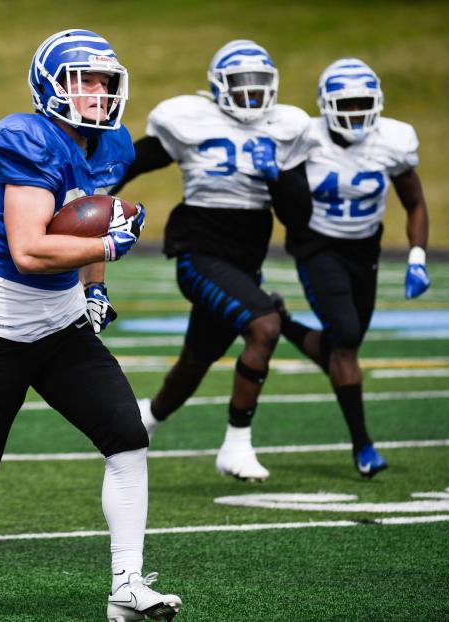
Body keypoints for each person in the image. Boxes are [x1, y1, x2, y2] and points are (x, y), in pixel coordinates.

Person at [0, 30, 182, 621]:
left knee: (126, 437)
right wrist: (111, 247)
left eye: (104, 80)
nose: (97, 91)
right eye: (83, 79)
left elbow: (89, 218)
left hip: (64, 325)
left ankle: (126, 587)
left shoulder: (113, 145)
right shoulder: (25, 138)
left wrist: (96, 287)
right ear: (50, 85)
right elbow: (30, 249)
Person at [111, 40, 317, 481]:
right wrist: (85, 192)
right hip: (198, 252)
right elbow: (135, 161)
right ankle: (236, 444)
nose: (251, 95)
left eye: (259, 85)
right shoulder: (191, 119)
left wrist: (277, 176)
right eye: (241, 85)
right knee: (265, 325)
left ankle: (145, 420)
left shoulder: (285, 128)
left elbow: (299, 216)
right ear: (218, 87)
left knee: (196, 359)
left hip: (245, 260)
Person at [274, 58, 429, 478]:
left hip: (365, 248)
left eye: (364, 102)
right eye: (348, 103)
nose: (357, 112)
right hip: (317, 244)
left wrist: (417, 257)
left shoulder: (393, 139)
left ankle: (282, 322)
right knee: (344, 337)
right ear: (325, 105)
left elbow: (414, 201)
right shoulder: (303, 137)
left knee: (349, 344)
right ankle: (363, 444)